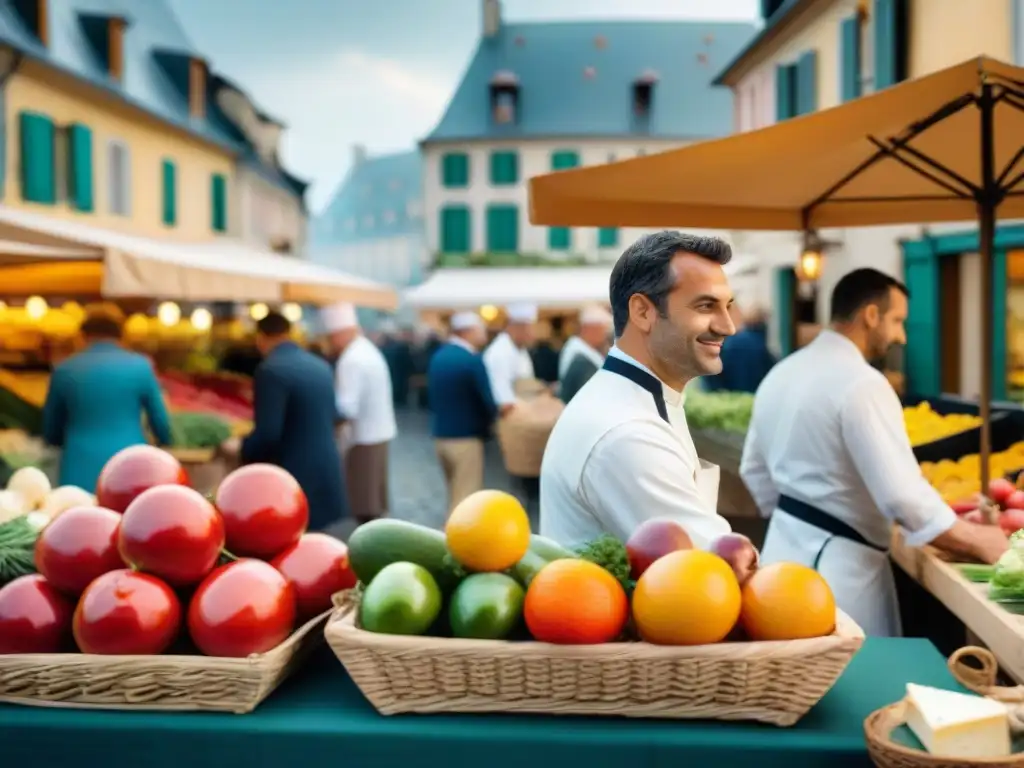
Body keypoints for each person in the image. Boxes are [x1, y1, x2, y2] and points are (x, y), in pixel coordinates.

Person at [740, 268, 1009, 637]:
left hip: (779, 561)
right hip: (841, 577)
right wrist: (979, 540)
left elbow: (753, 468)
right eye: (897, 321)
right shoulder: (863, 383)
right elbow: (902, 496)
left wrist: (798, 519)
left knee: (789, 685)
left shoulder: (781, 373)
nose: (900, 335)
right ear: (870, 315)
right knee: (856, 686)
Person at [540, 231, 737, 548]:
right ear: (643, 312)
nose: (728, 326)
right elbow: (714, 565)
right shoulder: (628, 433)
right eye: (705, 306)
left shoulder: (633, 400)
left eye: (727, 306)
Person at [229, 311, 348, 530]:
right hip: (327, 468)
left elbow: (268, 434)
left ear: (260, 338)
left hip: (294, 474)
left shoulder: (271, 370)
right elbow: (335, 415)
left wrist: (241, 448)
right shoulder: (320, 365)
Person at [42, 311, 172, 491]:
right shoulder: (141, 367)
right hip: (130, 464)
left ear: (83, 336)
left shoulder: (65, 369)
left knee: (78, 516)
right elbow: (161, 422)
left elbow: (51, 429)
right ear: (121, 336)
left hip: (79, 466)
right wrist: (164, 442)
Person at [321, 302, 397, 526]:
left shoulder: (351, 359)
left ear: (341, 332)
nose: (330, 343)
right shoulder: (365, 349)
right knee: (375, 499)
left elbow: (346, 407)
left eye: (331, 336)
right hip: (378, 431)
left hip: (363, 437)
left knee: (365, 503)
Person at [428, 312, 500, 512]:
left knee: (454, 493)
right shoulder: (472, 360)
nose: (484, 334)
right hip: (466, 439)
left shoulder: (438, 357)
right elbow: (487, 401)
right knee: (464, 502)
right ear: (468, 332)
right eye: (480, 330)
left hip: (441, 437)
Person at [703, 305, 776, 393]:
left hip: (731, 398)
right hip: (755, 394)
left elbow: (712, 372)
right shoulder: (761, 346)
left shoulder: (730, 341)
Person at [483, 303, 537, 411]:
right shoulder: (499, 353)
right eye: (528, 329)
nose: (532, 334)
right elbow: (503, 400)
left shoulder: (520, 349)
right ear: (516, 328)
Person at [558, 306, 613, 404]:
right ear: (589, 328)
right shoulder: (577, 351)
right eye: (603, 330)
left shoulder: (585, 349)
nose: (605, 336)